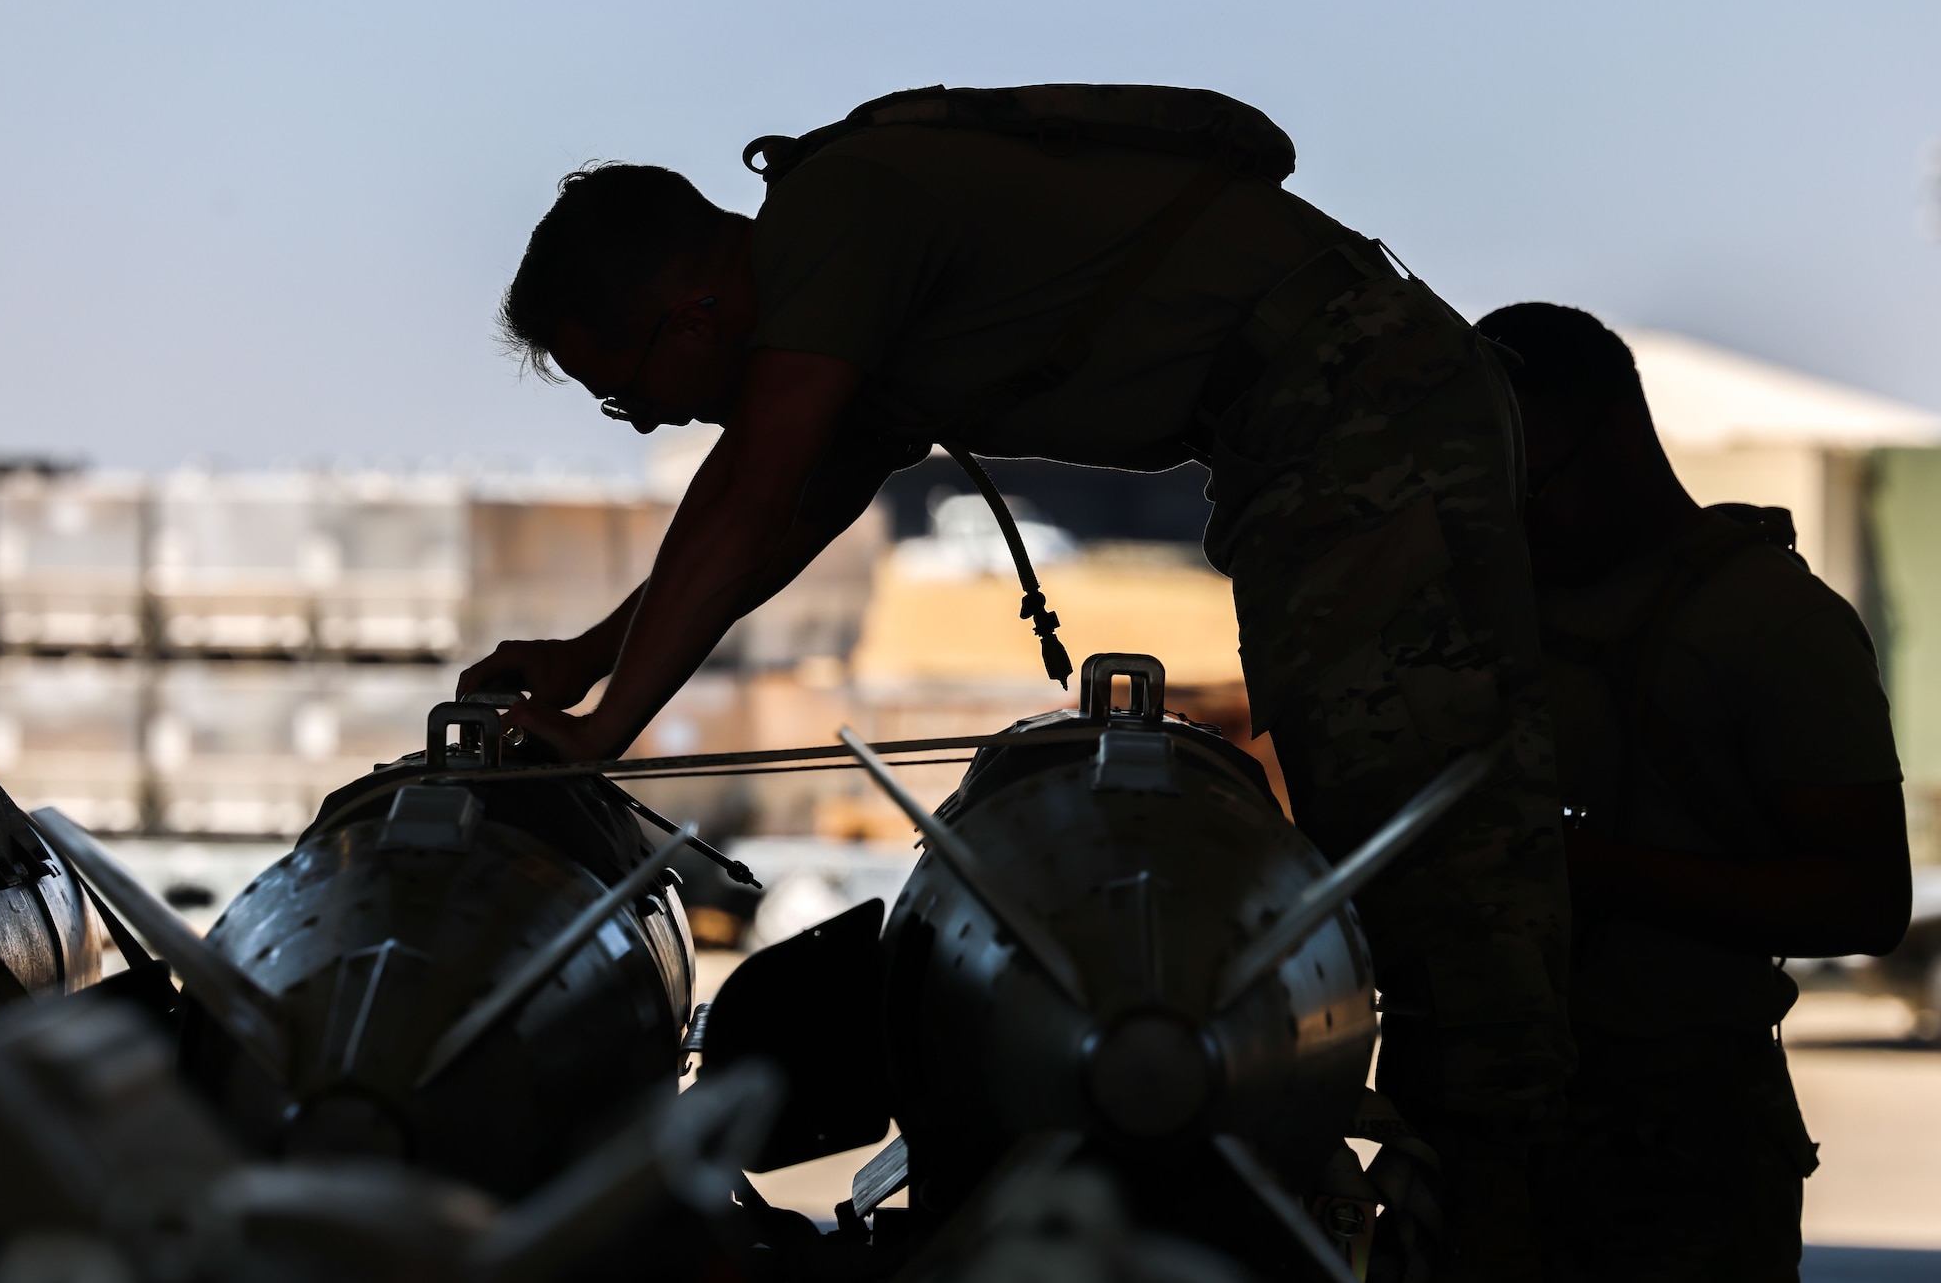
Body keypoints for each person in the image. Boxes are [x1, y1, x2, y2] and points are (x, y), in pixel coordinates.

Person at [460, 86, 1572, 1278]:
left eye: (624, 391)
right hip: (1313, 421)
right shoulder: (835, 284)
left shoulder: (838, 224)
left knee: (1411, 812)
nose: (641, 425)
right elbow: (779, 514)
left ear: (690, 314)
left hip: (1360, 409)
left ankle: (1497, 1205)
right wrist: (591, 662)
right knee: (1380, 796)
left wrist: (602, 729)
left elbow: (748, 484)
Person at [1473, 303, 1912, 1282]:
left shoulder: (1770, 620)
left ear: (1616, 437)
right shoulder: (1496, 601)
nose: (1511, 510)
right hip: (1480, 1124)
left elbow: (1866, 899)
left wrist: (1590, 872)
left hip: (1676, 1138)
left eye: (1529, 481)